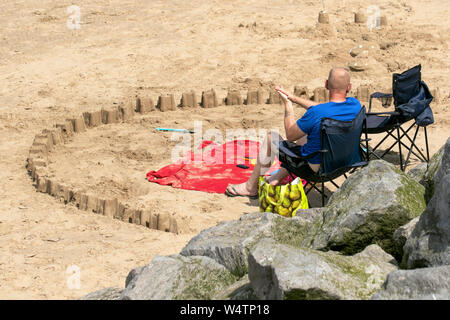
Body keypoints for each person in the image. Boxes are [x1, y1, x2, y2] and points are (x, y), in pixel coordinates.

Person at [225, 67, 362, 198]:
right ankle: (276, 178)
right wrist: (294, 98)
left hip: (318, 170)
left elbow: (290, 136)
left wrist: (288, 106)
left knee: (271, 137)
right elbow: (324, 108)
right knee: (309, 136)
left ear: (326, 85)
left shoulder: (316, 113)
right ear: (349, 87)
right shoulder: (355, 105)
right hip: (344, 164)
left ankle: (250, 188)